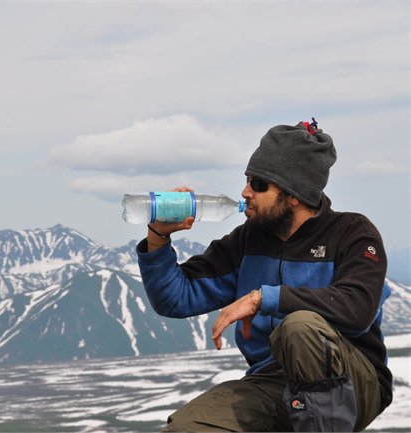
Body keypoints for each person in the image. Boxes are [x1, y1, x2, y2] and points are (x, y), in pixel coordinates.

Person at [136, 120, 392, 432]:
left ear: (294, 194)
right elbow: (174, 299)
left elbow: (357, 308)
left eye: (258, 184)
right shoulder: (247, 240)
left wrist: (264, 298)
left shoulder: (352, 233)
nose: (245, 193)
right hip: (274, 379)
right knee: (185, 428)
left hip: (353, 380)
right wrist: (158, 237)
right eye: (247, 180)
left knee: (299, 327)